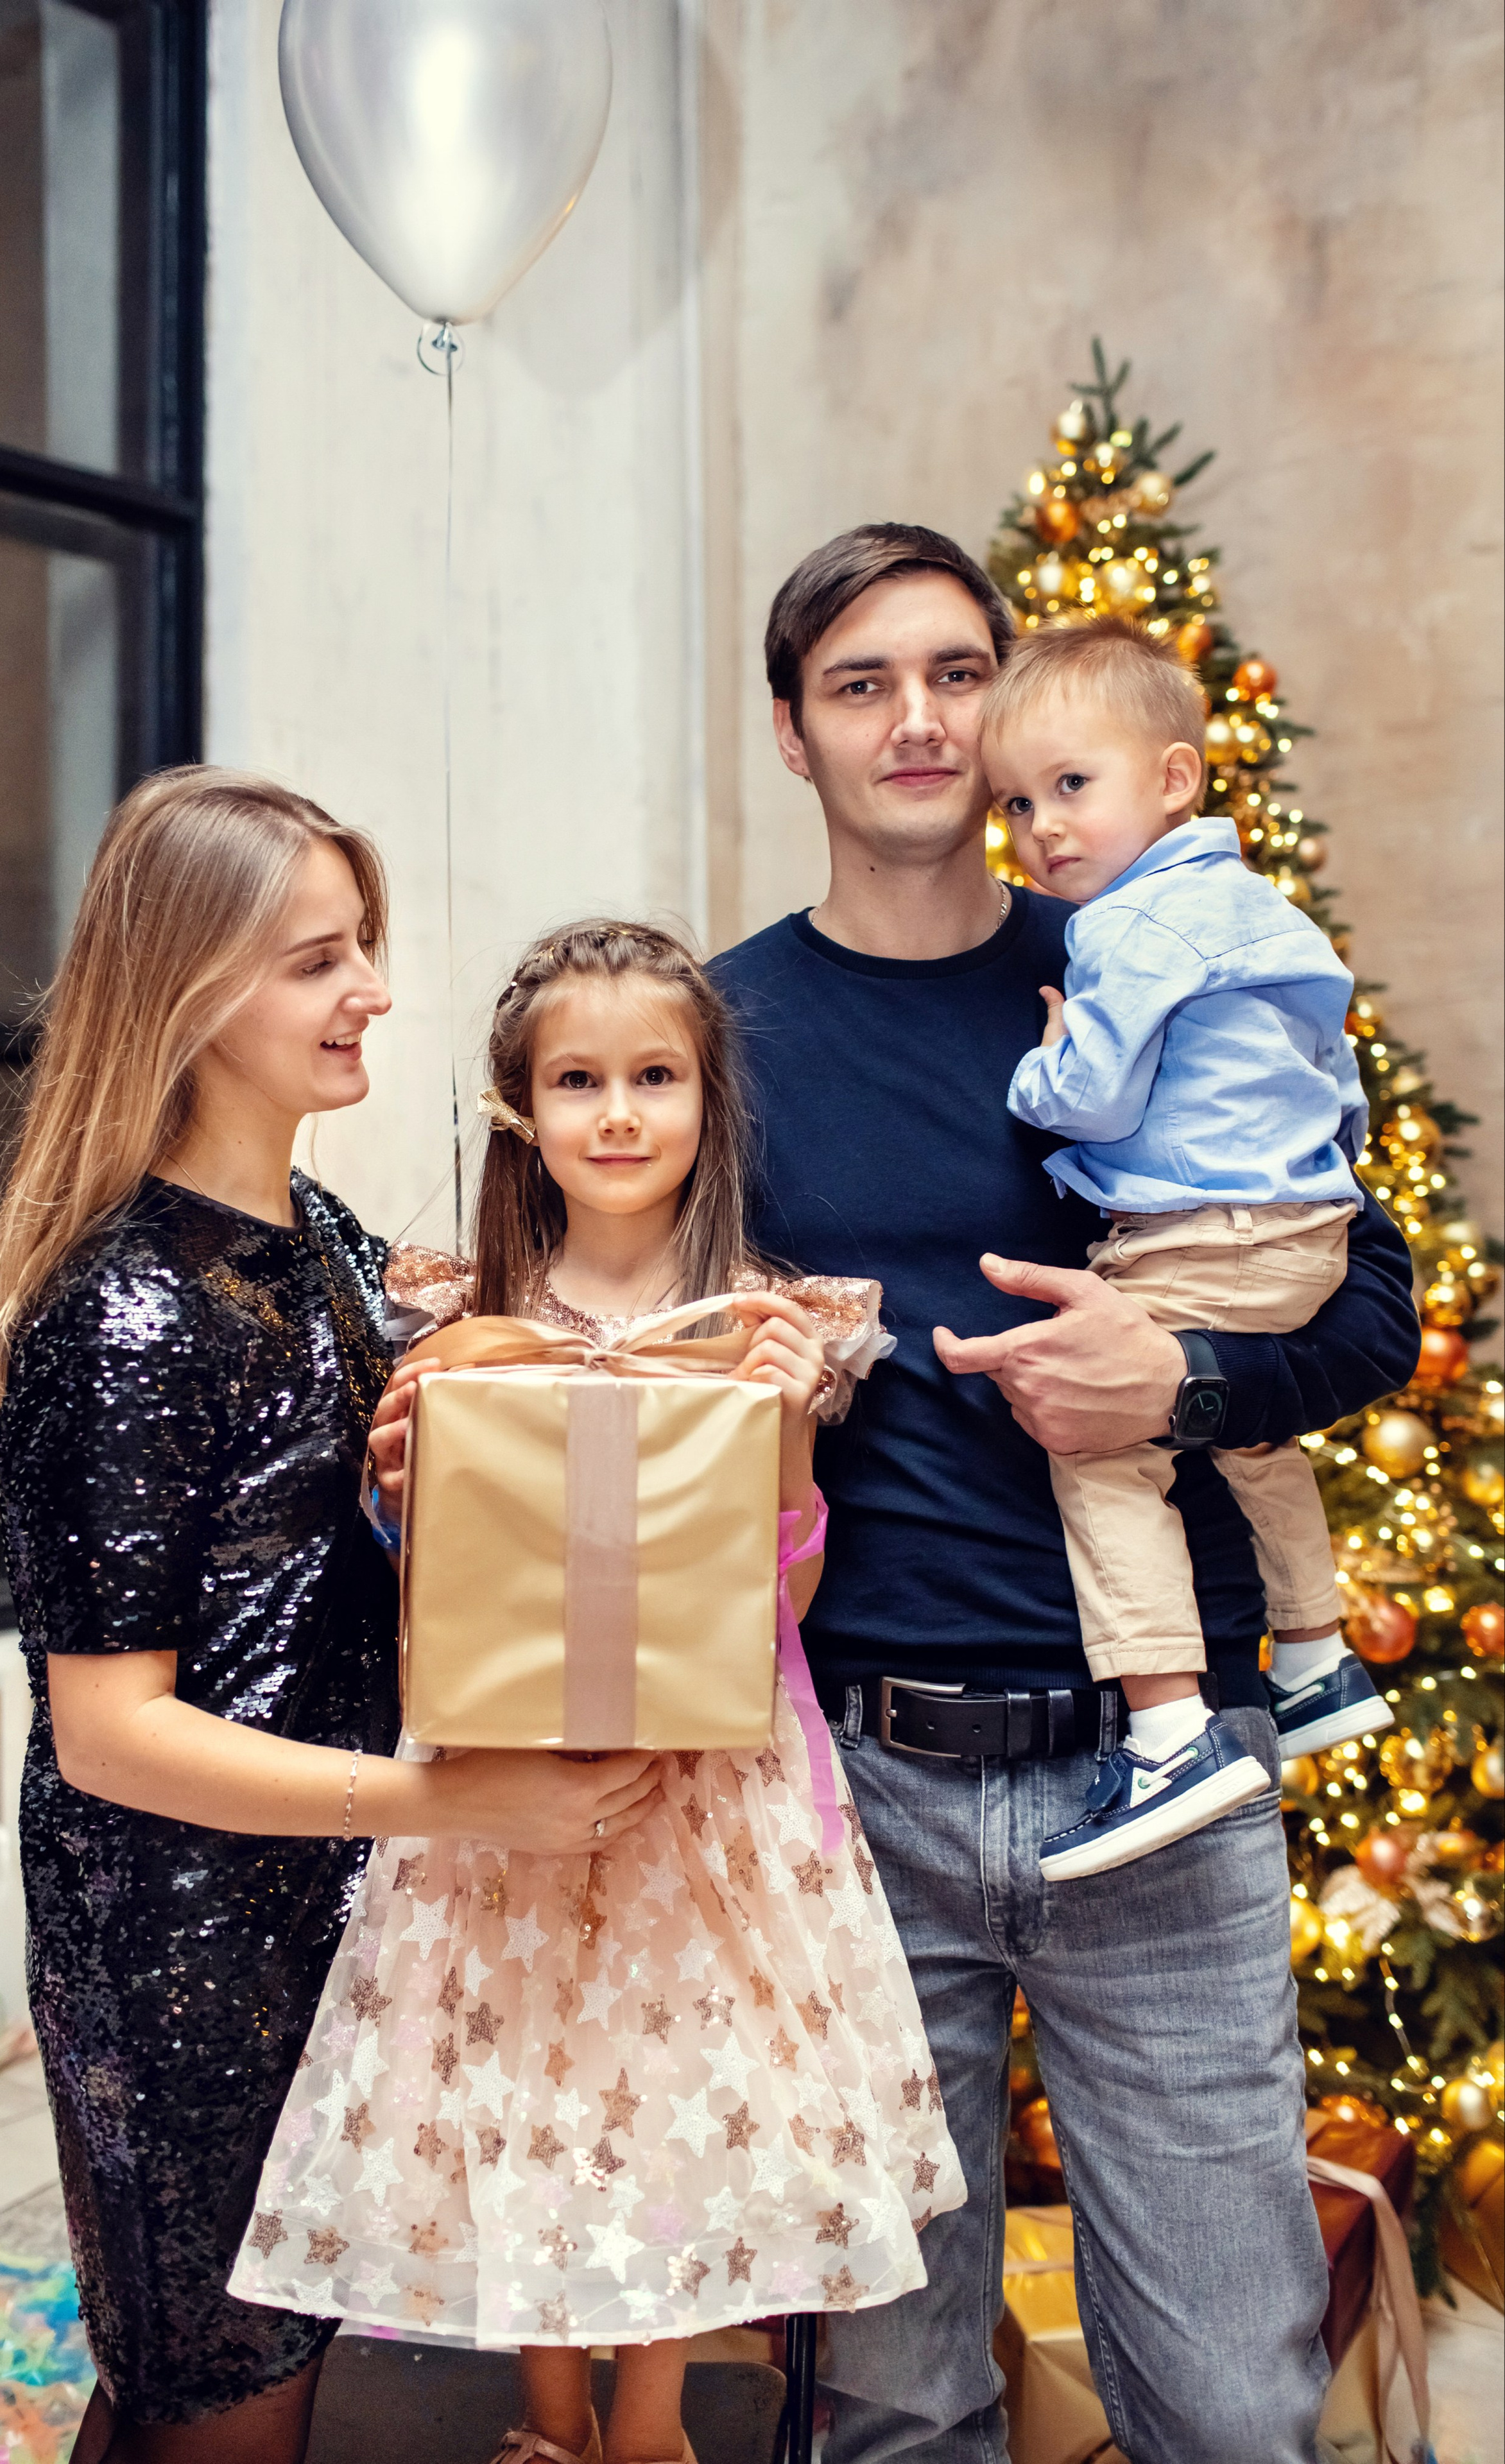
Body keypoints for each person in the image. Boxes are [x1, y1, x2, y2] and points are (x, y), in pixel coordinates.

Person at [708, 526, 1422, 2464]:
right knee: (891, 2407)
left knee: (1231, 2403)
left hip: (1164, 1777)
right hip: (857, 1791)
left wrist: (1180, 1372)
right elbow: (639, 1346)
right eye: (862, 684)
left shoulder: (1147, 956)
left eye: (958, 673)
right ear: (793, 736)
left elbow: (1369, 1304)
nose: (921, 721)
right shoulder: (718, 1034)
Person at [0, 771, 658, 2464]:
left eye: (368, 948)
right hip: (183, 1959)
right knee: (221, 2405)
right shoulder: (124, 1311)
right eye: (320, 962)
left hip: (325, 1918)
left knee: (234, 2390)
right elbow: (111, 1737)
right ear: (195, 993)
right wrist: (452, 1804)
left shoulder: (326, 1241)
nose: (376, 994)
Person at [229, 919, 964, 2464]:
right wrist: (395, 1478)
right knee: (524, 2093)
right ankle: (544, 2422)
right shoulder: (454, 1312)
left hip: (709, 1786)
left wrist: (774, 1437)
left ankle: (651, 2425)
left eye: (654, 1076)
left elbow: (784, 1599)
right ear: (522, 1109)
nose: (618, 1114)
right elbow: (426, 1580)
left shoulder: (772, 1320)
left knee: (669, 2103)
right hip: (496, 1780)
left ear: (708, 1100)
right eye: (578, 1080)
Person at [984, 617, 1393, 1882]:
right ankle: (1317, 1657)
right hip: (1299, 1222)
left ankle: (1166, 1733)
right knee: (1248, 1434)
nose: (1042, 827)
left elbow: (1095, 1097)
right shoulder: (1258, 908)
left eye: (1069, 786)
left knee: (1101, 1451)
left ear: (1171, 778)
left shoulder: (1121, 927)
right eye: (1016, 801)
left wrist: (1042, 1066)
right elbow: (1332, 1072)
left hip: (1200, 1229)